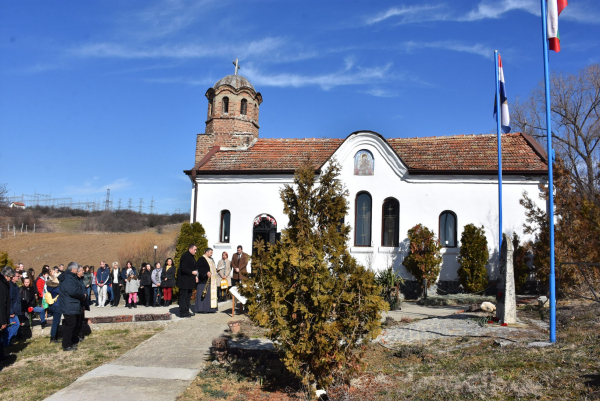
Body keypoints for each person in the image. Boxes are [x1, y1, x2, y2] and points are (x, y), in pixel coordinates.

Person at [58, 262, 86, 351]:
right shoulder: (68, 278)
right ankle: (66, 345)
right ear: (73, 269)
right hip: (69, 304)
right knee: (70, 324)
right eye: (77, 268)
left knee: (70, 324)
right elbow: (73, 291)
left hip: (71, 304)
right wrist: (82, 295)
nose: (78, 270)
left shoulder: (70, 277)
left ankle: (70, 341)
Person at [177, 244, 198, 317]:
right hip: (184, 281)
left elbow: (193, 267)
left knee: (188, 296)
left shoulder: (192, 257)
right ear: (190, 249)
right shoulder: (185, 256)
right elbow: (183, 268)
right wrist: (192, 272)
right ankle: (182, 312)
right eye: (195, 249)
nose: (196, 251)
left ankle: (186, 310)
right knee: (183, 296)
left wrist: (195, 276)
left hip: (189, 281)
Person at [195, 248, 218, 314]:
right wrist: (206, 272)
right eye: (210, 252)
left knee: (209, 295)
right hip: (203, 280)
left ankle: (210, 309)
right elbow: (200, 268)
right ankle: (202, 309)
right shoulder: (201, 259)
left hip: (211, 281)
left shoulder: (211, 260)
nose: (211, 254)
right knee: (204, 295)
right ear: (206, 252)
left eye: (212, 252)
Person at [0, 267, 15, 359]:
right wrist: (3, 321)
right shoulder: (1, 285)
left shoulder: (4, 284)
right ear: (5, 276)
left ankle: (1, 355)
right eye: (10, 277)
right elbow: (1, 305)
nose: (11, 279)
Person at [5, 269, 22, 346]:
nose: (19, 277)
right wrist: (11, 312)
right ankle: (7, 341)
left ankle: (7, 342)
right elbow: (10, 300)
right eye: (17, 276)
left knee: (10, 326)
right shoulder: (11, 287)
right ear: (13, 277)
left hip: (15, 309)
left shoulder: (15, 286)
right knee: (16, 324)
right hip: (12, 311)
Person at [46, 270, 61, 344]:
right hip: (57, 305)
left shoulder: (49, 286)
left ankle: (54, 336)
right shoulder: (57, 288)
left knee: (55, 321)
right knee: (56, 322)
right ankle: (53, 337)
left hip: (51, 305)